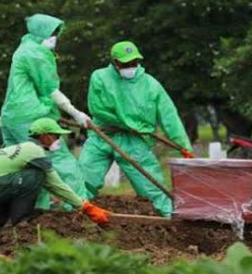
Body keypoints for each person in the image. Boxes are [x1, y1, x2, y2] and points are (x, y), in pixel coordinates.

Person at [0, 118, 110, 247]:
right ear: (44, 136)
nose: (58, 140)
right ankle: (21, 225)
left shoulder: (22, 149)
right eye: (56, 136)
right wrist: (85, 207)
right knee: (35, 176)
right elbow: (55, 184)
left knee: (8, 196)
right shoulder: (34, 151)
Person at [79, 41, 193, 217]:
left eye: (133, 62)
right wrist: (130, 124)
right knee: (84, 178)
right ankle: (70, 214)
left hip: (134, 142)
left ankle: (172, 220)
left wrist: (183, 145)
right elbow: (97, 108)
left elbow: (169, 116)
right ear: (114, 62)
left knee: (152, 188)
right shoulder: (100, 77)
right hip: (102, 135)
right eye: (125, 63)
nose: (130, 66)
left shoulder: (151, 85)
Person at [0, 13, 89, 208]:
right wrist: (75, 113)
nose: (55, 37)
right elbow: (50, 89)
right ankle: (78, 209)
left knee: (26, 166)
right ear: (42, 32)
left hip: (10, 118)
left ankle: (35, 212)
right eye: (53, 33)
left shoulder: (24, 49)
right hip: (31, 118)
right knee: (62, 163)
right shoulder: (35, 53)